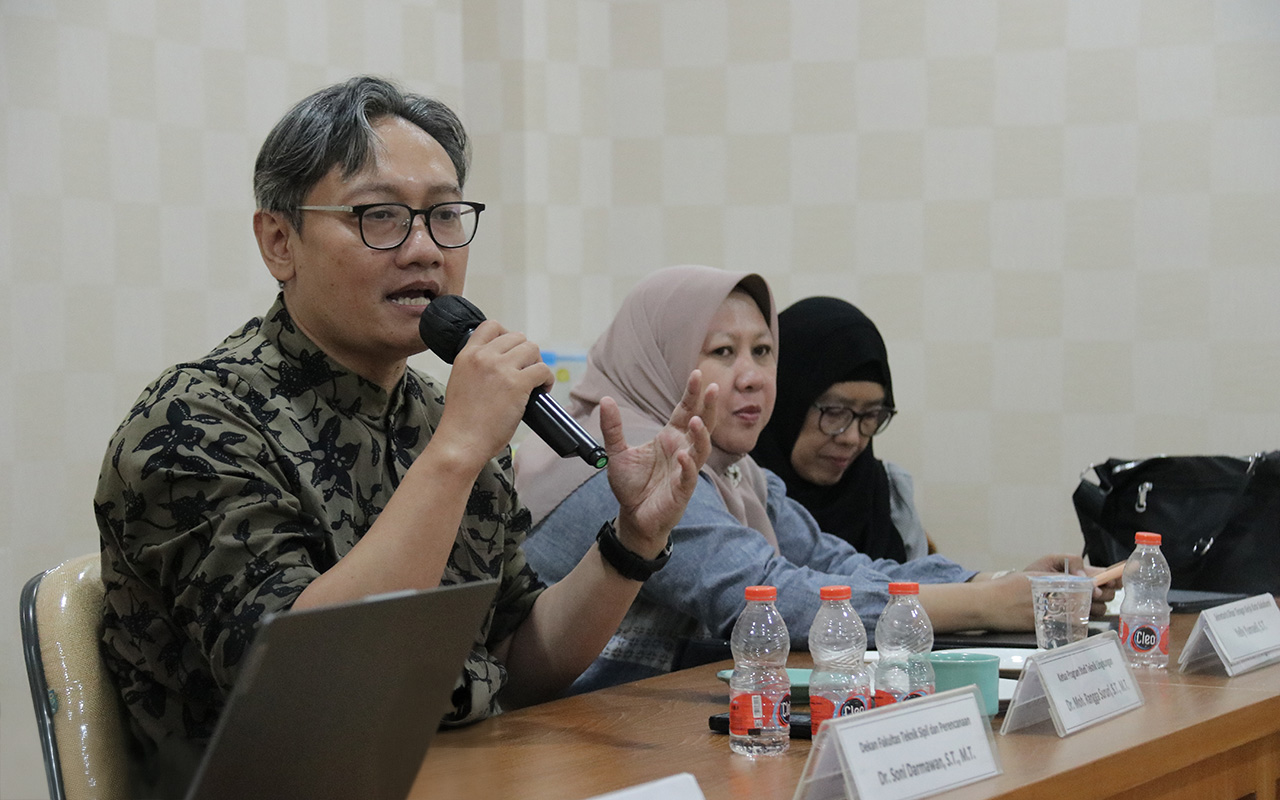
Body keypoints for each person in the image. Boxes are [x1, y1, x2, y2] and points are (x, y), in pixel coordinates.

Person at [95, 77, 715, 792]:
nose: (424, 249)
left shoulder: (438, 412)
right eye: (380, 216)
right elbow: (311, 700)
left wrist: (633, 542)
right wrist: (455, 454)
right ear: (279, 242)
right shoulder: (193, 423)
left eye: (445, 215)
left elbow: (513, 658)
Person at [515, 264, 1115, 693]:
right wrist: (986, 604)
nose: (753, 376)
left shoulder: (735, 471)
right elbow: (769, 597)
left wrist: (1004, 581)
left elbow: (834, 563)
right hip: (558, 749)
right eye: (722, 352)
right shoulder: (620, 464)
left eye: (763, 351)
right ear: (658, 358)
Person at [751, 296, 926, 561]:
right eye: (834, 412)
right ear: (785, 403)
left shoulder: (888, 497)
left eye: (871, 415)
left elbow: (921, 583)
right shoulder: (734, 493)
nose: (852, 438)